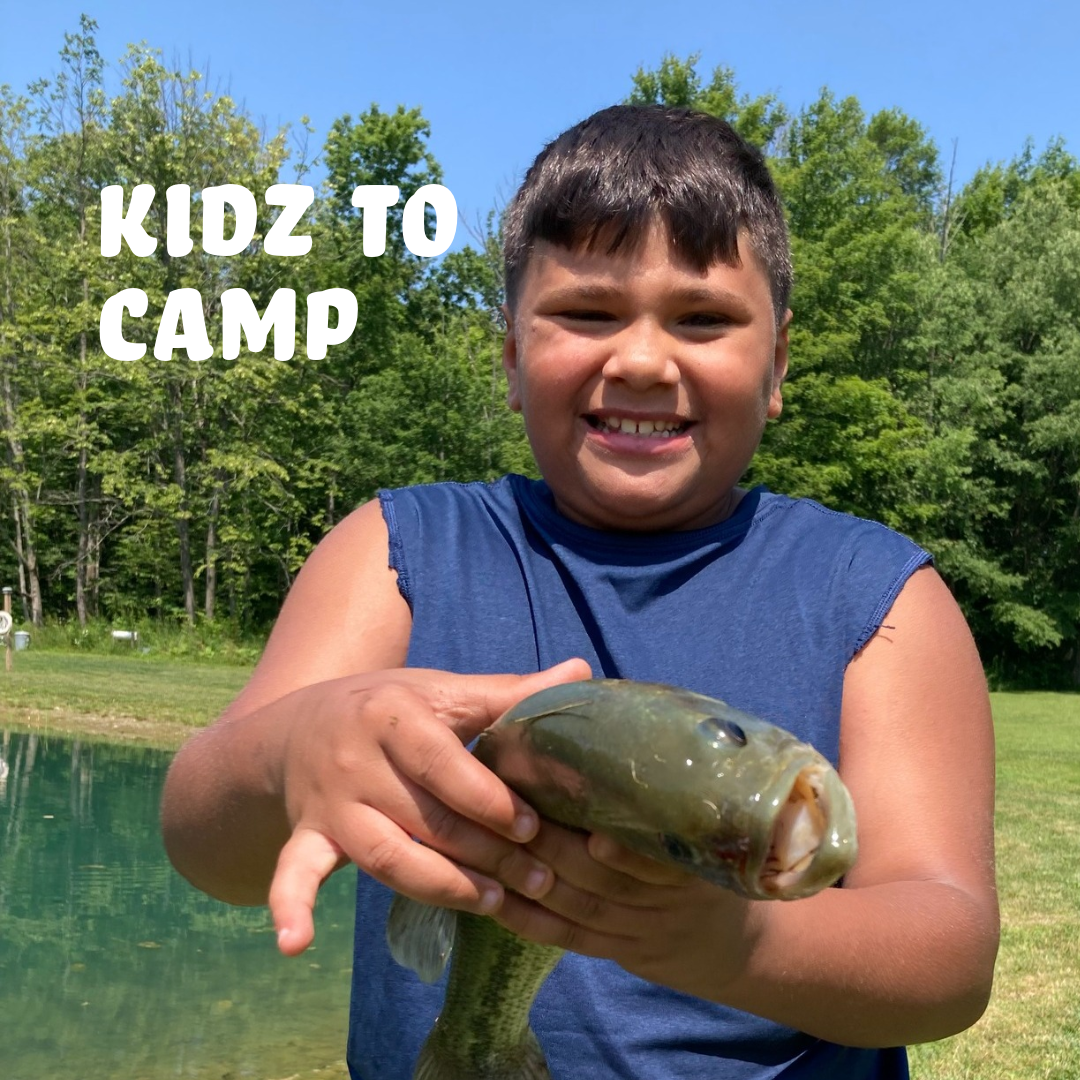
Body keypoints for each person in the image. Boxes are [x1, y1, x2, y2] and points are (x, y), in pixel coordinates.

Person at [161, 104, 998, 1079]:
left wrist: (735, 945)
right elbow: (204, 844)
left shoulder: (878, 600)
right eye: (587, 313)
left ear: (776, 366)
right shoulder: (394, 552)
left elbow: (950, 959)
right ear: (512, 356)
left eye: (704, 319)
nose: (641, 359)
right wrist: (292, 754)